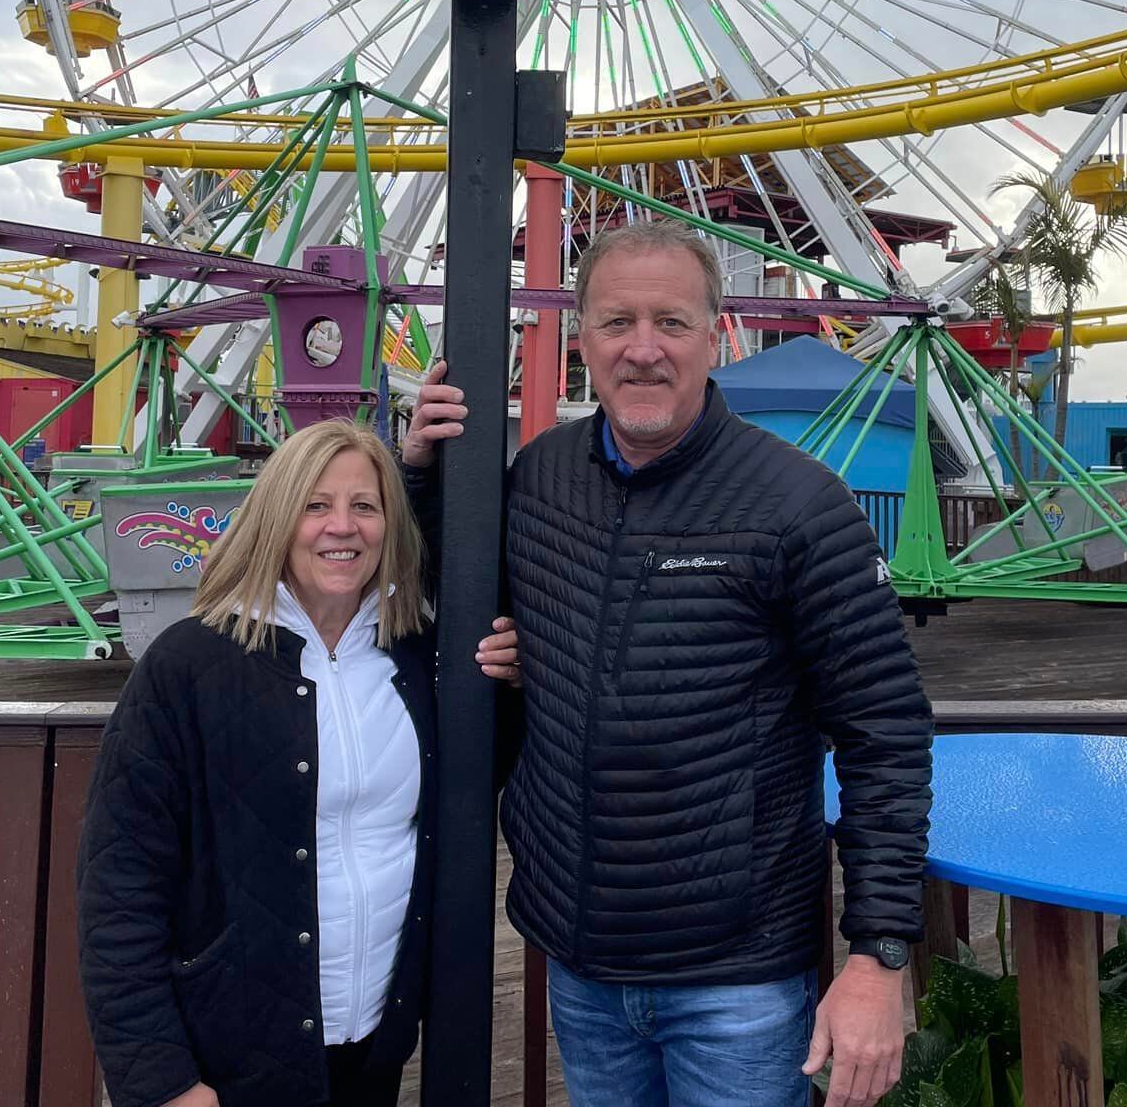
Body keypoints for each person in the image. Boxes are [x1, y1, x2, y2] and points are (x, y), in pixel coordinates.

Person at [404, 220, 933, 1107]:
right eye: (617, 323)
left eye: (671, 323)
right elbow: (454, 599)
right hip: (580, 958)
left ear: (715, 334)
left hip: (739, 978)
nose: (642, 350)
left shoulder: (801, 506)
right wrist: (421, 475)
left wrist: (878, 957)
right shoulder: (540, 477)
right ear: (581, 340)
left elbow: (884, 735)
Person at [76, 417, 520, 1107]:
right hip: (230, 1056)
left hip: (377, 1042)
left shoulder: (419, 661)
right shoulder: (189, 664)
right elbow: (120, 886)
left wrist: (512, 685)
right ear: (277, 519)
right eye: (316, 505)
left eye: (363, 507)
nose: (341, 527)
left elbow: (476, 783)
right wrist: (160, 1079)